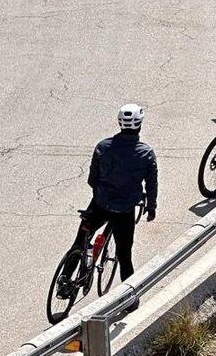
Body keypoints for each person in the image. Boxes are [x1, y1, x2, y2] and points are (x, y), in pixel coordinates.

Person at [62, 104, 158, 295]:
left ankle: (64, 282)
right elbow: (152, 184)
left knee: (80, 242)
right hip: (124, 211)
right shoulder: (146, 153)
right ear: (140, 125)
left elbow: (92, 179)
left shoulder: (102, 147)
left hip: (99, 205)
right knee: (124, 255)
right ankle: (130, 300)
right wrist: (151, 206)